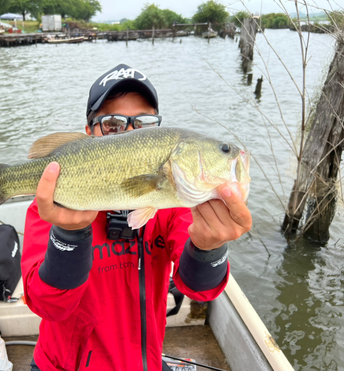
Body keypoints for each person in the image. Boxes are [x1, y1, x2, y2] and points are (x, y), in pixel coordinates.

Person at [21, 64, 252, 371]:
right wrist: (68, 235)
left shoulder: (174, 204)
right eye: (113, 124)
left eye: (144, 123)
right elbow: (47, 305)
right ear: (88, 132)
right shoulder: (52, 206)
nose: (131, 133)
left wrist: (209, 248)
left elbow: (200, 288)